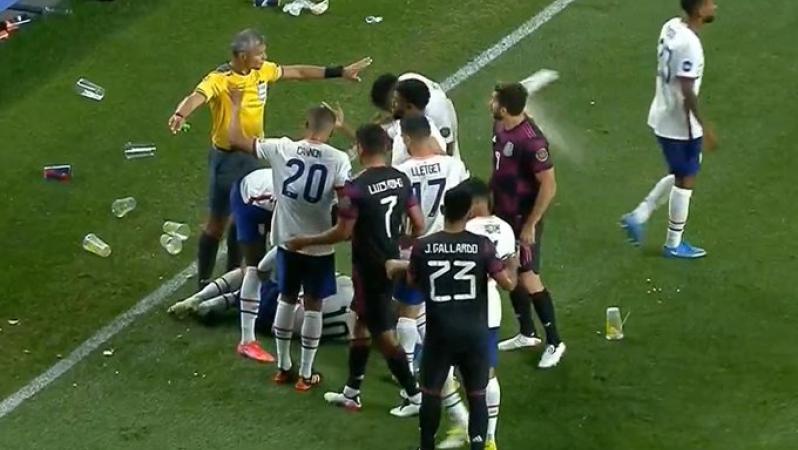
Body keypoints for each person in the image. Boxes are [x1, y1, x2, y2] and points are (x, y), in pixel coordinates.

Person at [166, 28, 371, 291]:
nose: (264, 58)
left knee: (241, 217)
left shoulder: (261, 71)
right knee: (217, 224)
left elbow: (297, 72)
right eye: (260, 54)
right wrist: (180, 114)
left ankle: (231, 277)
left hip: (253, 154)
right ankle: (204, 281)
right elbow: (198, 96)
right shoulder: (220, 79)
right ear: (243, 56)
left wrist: (339, 71)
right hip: (227, 160)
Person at [285, 124, 426, 416]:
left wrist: (305, 241)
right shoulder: (401, 179)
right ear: (385, 147)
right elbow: (419, 223)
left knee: (384, 337)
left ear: (360, 148)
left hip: (370, 269)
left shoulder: (356, 188)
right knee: (358, 324)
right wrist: (399, 242)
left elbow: (343, 232)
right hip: (389, 263)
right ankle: (351, 392)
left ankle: (414, 396)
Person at [228, 94, 352, 392]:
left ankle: (283, 367)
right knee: (312, 306)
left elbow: (235, 139)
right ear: (331, 130)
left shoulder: (281, 148)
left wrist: (234, 105)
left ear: (305, 124)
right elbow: (346, 204)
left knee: (286, 298)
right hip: (319, 245)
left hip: (287, 241)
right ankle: (306, 373)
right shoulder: (338, 159)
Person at [388, 183, 517, 450]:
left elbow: (412, 283)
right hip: (474, 332)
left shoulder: (424, 246)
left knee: (431, 394)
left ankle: (426, 445)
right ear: (469, 212)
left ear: (443, 210)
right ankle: (479, 445)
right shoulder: (482, 246)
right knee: (477, 396)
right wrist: (513, 265)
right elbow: (507, 284)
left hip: (440, 333)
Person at [620, 0, 717, 258]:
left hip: (662, 113)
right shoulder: (691, 44)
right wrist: (702, 126)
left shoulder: (671, 26)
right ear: (699, 10)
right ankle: (673, 243)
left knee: (682, 171)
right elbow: (686, 89)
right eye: (710, 3)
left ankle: (640, 215)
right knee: (686, 179)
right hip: (680, 123)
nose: (715, 6)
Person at [489, 82, 566, 369]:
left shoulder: (531, 142)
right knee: (511, 269)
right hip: (502, 215)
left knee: (528, 276)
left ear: (504, 108)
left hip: (522, 218)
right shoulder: (500, 126)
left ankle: (555, 341)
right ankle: (526, 332)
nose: (489, 103)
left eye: (494, 100)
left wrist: (531, 224)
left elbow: (549, 185)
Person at [168, 247, 356, 342]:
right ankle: (215, 302)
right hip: (281, 326)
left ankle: (201, 299)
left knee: (250, 275)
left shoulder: (349, 288)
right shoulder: (359, 331)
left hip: (280, 311)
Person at [462, 178, 517, 450]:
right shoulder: (506, 229)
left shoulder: (465, 228)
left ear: (475, 202)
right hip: (490, 309)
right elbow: (510, 276)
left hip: (458, 308)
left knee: (446, 372)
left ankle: (460, 422)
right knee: (487, 374)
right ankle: (490, 438)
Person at [371, 72, 460, 158]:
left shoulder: (436, 111)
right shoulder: (406, 81)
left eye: (392, 105)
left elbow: (449, 146)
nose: (392, 110)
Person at [383, 78, 448, 165]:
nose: (393, 103)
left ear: (409, 107)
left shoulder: (430, 138)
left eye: (396, 101)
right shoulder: (402, 124)